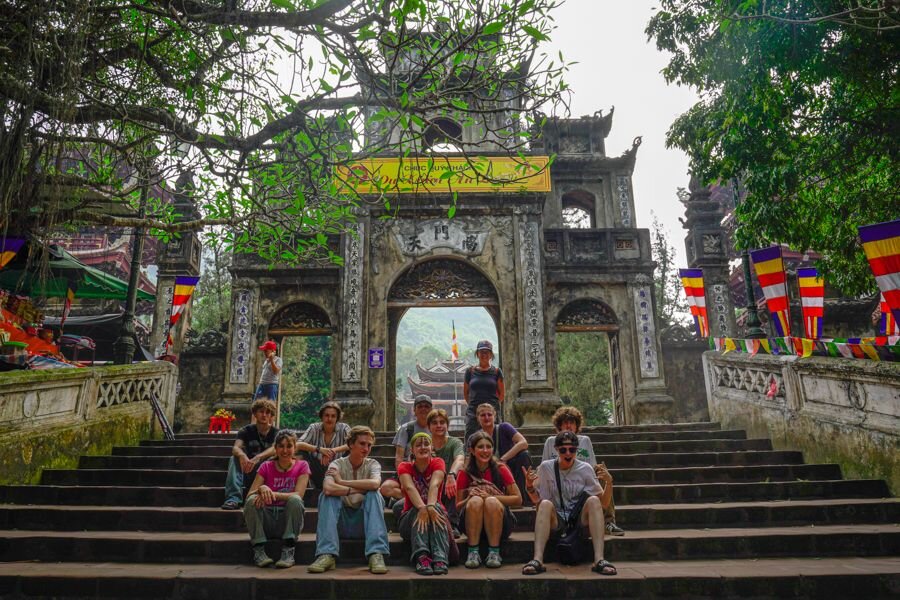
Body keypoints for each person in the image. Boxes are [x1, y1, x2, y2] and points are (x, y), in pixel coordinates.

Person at [522, 431, 616, 576]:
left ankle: (599, 559)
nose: (568, 453)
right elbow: (536, 500)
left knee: (594, 500)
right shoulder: (546, 468)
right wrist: (529, 485)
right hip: (556, 520)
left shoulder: (585, 468)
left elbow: (603, 504)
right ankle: (537, 559)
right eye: (563, 450)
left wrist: (609, 483)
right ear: (556, 450)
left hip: (577, 521)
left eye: (572, 449)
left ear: (576, 450)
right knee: (545, 504)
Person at [308, 426, 390, 575]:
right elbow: (328, 488)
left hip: (365, 525)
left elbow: (375, 484)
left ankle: (376, 554)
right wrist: (355, 489)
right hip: (339, 523)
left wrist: (342, 482)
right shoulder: (337, 464)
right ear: (351, 444)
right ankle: (326, 554)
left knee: (374, 495)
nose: (366, 448)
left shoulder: (373, 464)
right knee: (326, 496)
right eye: (362, 443)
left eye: (369, 445)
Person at [541, 406, 624, 536]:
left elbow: (592, 466)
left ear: (577, 425)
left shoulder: (585, 440)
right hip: (558, 483)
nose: (569, 426)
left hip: (582, 482)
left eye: (572, 422)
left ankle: (608, 521)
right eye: (565, 422)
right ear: (559, 425)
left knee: (602, 474)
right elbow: (543, 469)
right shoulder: (551, 442)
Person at [243, 430, 309, 568]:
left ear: (295, 447)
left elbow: (299, 495)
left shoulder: (302, 466)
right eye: (281, 446)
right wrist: (261, 489)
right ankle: (259, 550)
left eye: (289, 446)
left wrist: (272, 493)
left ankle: (288, 550)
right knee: (251, 501)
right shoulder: (266, 466)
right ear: (275, 448)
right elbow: (250, 495)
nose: (285, 450)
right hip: (267, 520)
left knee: (296, 501)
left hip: (287, 521)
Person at [456, 431, 522, 569]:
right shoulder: (464, 472)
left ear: (493, 449)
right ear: (472, 451)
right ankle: (473, 552)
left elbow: (518, 499)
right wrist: (469, 498)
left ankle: (494, 552)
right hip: (472, 522)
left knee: (491, 501)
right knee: (475, 501)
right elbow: (458, 506)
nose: (485, 451)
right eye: (480, 447)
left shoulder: (501, 469)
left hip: (500, 522)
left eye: (488, 447)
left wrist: (491, 497)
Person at [397, 432, 452, 576]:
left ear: (432, 448)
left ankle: (440, 558)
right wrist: (423, 508)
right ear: (412, 450)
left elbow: (435, 484)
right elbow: (409, 488)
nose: (423, 447)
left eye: (426, 444)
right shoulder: (404, 466)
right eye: (418, 445)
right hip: (409, 521)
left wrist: (431, 507)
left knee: (436, 508)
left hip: (435, 515)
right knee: (418, 509)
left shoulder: (438, 462)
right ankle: (422, 558)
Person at [222, 399, 279, 510]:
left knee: (274, 460)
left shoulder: (276, 432)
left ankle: (268, 496)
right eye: (261, 411)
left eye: (267, 412)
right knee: (234, 458)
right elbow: (236, 447)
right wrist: (242, 455)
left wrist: (258, 457)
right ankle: (233, 499)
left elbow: (275, 448)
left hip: (267, 471)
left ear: (271, 415)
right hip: (248, 468)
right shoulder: (246, 430)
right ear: (255, 414)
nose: (264, 415)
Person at [473, 403, 531, 503]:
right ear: (478, 418)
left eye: (489, 414)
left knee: (524, 455)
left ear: (494, 416)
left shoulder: (504, 427)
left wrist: (503, 459)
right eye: (483, 415)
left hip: (509, 465)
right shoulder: (475, 437)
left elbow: (523, 442)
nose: (486, 417)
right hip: (488, 471)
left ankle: (524, 498)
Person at [379, 394, 433, 502]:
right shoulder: (407, 428)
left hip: (429, 470)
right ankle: (414, 498)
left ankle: (405, 499)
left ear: (431, 410)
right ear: (414, 410)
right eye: (420, 406)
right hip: (408, 470)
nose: (423, 409)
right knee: (385, 488)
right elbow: (399, 457)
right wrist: (403, 479)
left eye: (426, 406)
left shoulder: (436, 427)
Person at [295, 401, 351, 489]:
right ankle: (305, 483)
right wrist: (319, 450)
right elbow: (298, 444)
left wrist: (332, 451)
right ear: (322, 416)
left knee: (353, 450)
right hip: (317, 467)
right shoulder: (314, 427)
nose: (329, 419)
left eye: (333, 416)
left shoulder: (344, 428)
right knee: (301, 452)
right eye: (327, 415)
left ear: (337, 418)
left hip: (339, 468)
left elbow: (353, 443)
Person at [428, 408, 464, 532]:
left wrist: (451, 475)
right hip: (428, 487)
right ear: (429, 426)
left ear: (447, 425)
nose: (439, 425)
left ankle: (452, 524)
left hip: (449, 486)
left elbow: (460, 459)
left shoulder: (454, 443)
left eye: (442, 422)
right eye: (434, 422)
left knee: (454, 482)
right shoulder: (423, 444)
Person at [463, 340, 504, 441]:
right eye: (482, 352)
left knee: (494, 438)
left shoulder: (497, 372)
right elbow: (466, 392)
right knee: (471, 439)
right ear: (477, 354)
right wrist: (474, 405)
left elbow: (502, 393)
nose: (484, 354)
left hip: (492, 412)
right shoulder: (470, 371)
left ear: (491, 355)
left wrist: (492, 407)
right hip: (473, 412)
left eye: (487, 352)